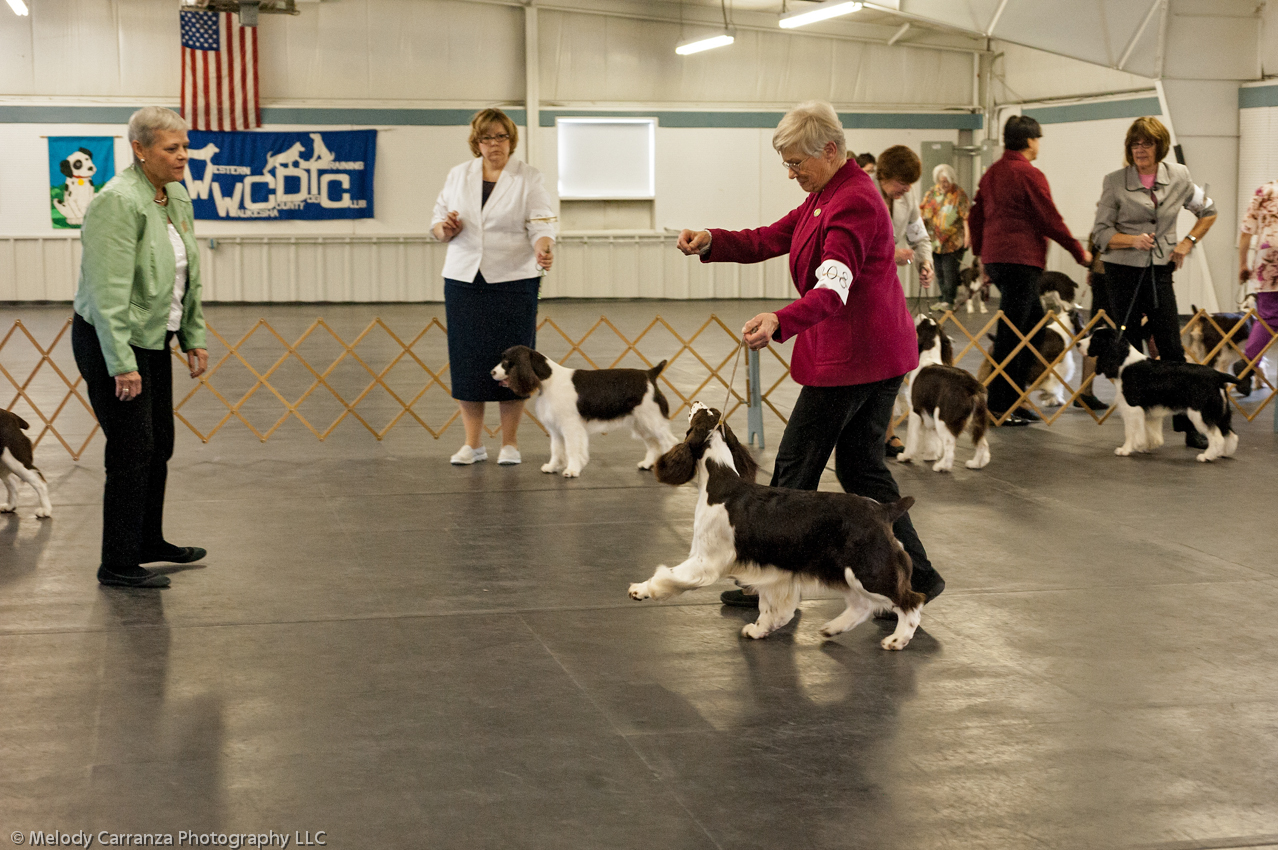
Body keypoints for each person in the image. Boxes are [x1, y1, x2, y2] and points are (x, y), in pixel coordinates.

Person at [675, 101, 945, 611]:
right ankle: (921, 579)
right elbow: (772, 237)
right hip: (871, 354)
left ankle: (772, 583)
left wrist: (782, 319)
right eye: (787, 164)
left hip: (854, 358)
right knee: (864, 470)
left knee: (794, 471)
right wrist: (713, 241)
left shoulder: (855, 202)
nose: (792, 172)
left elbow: (834, 287)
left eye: (797, 162)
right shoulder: (827, 193)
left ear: (830, 150)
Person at [71, 106, 208, 589]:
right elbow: (107, 291)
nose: (183, 156)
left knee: (160, 445)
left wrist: (192, 334)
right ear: (140, 149)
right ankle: (117, 561)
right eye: (172, 149)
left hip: (154, 338)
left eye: (185, 147)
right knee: (132, 449)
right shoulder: (117, 200)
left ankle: (148, 541)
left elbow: (186, 269)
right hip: (113, 341)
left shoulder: (173, 194)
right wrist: (121, 364)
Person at [432, 108, 556, 466]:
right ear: (477, 142)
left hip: (514, 281)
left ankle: (510, 444)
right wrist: (446, 229)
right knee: (467, 361)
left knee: (514, 363)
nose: (494, 144)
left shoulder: (529, 178)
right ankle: (472, 444)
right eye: (486, 138)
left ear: (511, 140)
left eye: (501, 136)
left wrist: (542, 247)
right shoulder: (457, 176)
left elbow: (542, 221)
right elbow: (437, 222)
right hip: (464, 280)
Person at [1090, 116, 1216, 447]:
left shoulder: (1180, 176)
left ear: (1159, 146)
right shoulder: (1115, 181)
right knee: (1131, 348)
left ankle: (1189, 426)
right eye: (1134, 143)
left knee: (1171, 347)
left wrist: (1188, 242)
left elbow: (1209, 212)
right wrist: (1131, 241)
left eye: (1146, 143)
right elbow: (1100, 234)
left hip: (1159, 271)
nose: (1140, 149)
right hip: (1121, 271)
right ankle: (1142, 430)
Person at [969, 115, 1091, 425]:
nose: (1039, 145)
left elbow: (975, 216)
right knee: (1014, 335)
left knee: (1033, 327)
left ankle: (1014, 396)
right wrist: (1080, 254)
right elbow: (1050, 219)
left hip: (998, 260)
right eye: (1038, 139)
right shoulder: (1029, 174)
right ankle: (999, 405)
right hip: (1020, 261)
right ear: (1029, 141)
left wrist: (982, 256)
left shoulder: (991, 173)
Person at [920, 163, 971, 312]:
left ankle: (950, 300)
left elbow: (965, 218)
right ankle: (943, 299)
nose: (945, 184)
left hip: (953, 241)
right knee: (939, 272)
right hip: (935, 241)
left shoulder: (959, 194)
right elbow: (922, 212)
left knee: (950, 273)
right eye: (942, 181)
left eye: (947, 181)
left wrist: (968, 236)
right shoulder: (932, 193)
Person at [1238, 179, 1278, 367]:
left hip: (1268, 260)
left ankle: (1248, 365)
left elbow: (1246, 231)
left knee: (1268, 318)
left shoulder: (1264, 191)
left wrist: (1243, 264)